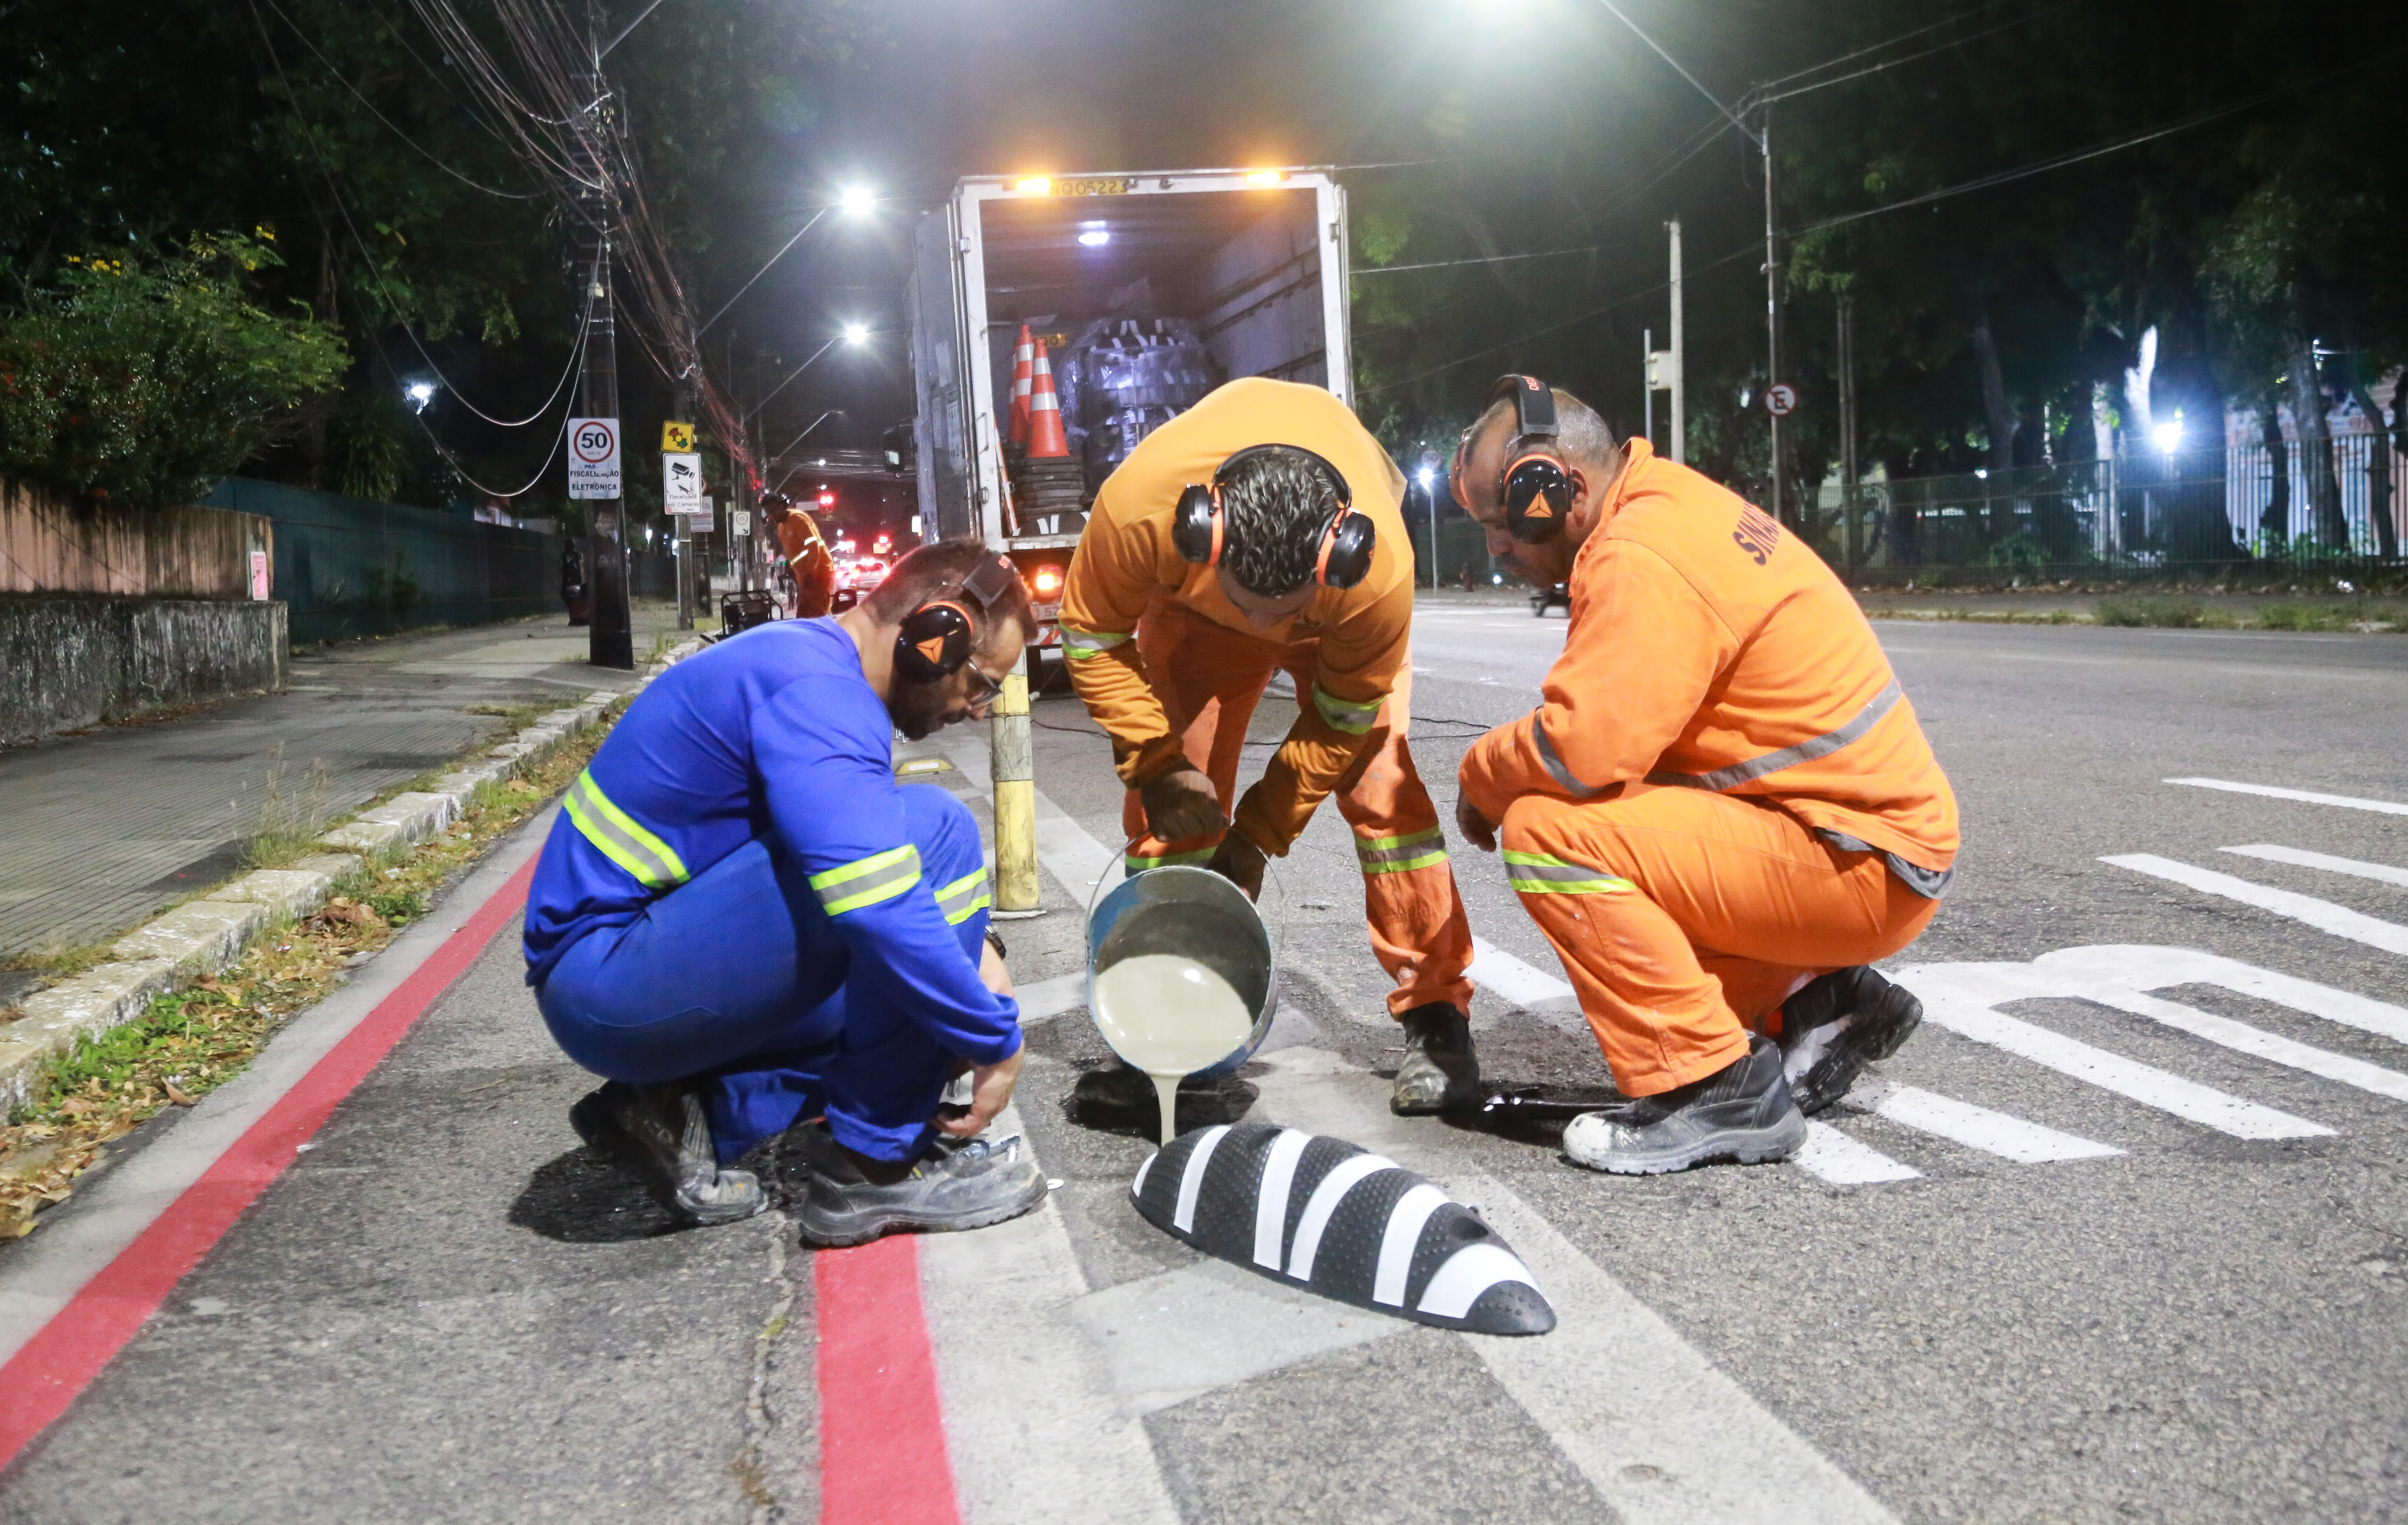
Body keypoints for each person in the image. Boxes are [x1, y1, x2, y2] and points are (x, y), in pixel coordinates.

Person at [1449, 376, 1958, 1175]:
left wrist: (1482, 777)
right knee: (1622, 820)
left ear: (1555, 490)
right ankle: (1817, 999)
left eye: (1499, 522)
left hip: (1856, 860)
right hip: (1856, 842)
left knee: (1550, 831)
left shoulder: (1641, 552)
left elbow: (1583, 746)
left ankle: (1714, 1085)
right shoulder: (1662, 503)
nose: (1497, 548)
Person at [521, 539, 1047, 1244]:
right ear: (934, 637)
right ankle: (872, 1167)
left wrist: (972, 955)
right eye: (981, 683)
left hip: (624, 970)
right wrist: (995, 1040)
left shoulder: (809, 662)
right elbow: (876, 897)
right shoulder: (817, 693)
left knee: (926, 996)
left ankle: (688, 1113)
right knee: (937, 831)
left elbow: (844, 853)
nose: (978, 709)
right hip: (609, 978)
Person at [1059, 376, 1479, 1117]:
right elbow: (1092, 633)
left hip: (1335, 632)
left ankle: (1436, 1018)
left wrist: (1258, 834)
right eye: (1247, 603)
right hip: (1191, 617)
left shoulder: (1374, 581)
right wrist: (1155, 761)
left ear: (1336, 559)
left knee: (1386, 793)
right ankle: (1166, 1026)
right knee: (1170, 819)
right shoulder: (1140, 511)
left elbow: (1343, 719)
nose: (1264, 625)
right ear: (1202, 532)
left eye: (1280, 612)